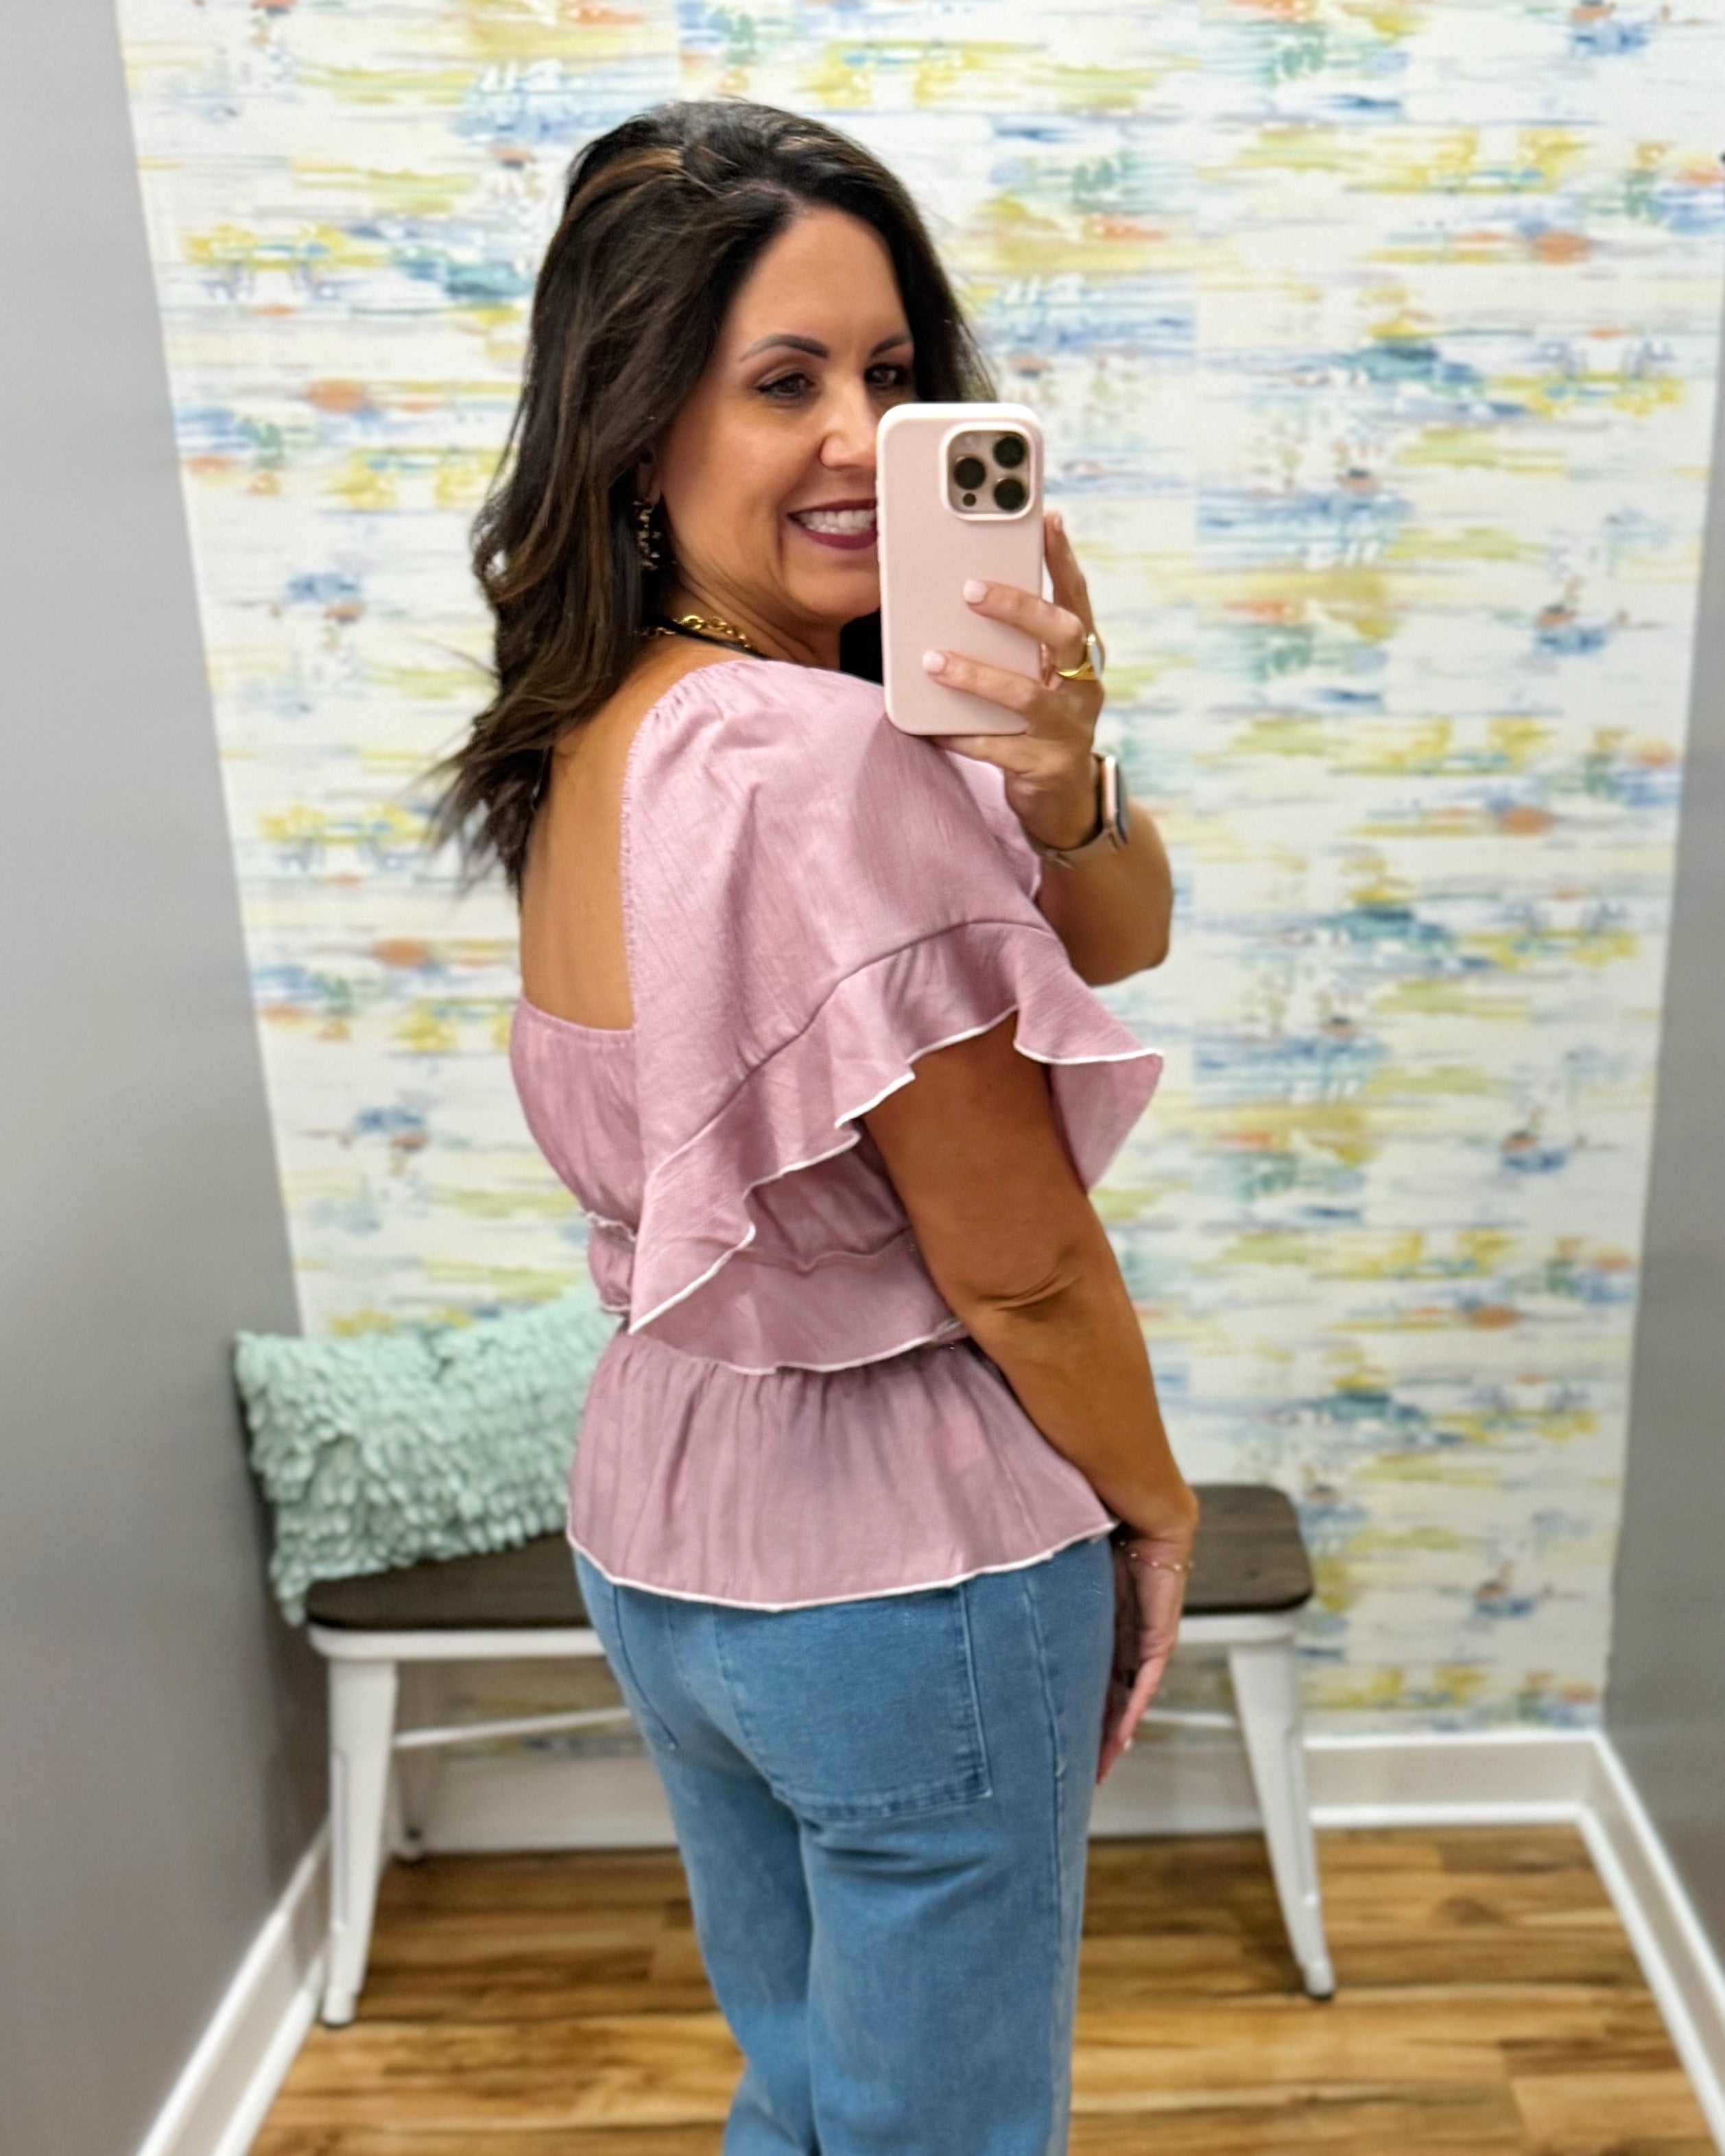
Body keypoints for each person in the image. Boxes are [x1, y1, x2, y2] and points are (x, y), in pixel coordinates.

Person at [434, 98, 1198, 2156]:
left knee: (806, 2086)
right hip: (903, 1566)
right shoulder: (818, 758)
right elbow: (1017, 1256)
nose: (864, 439)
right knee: (939, 2130)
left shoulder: (605, 724)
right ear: (638, 418)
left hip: (672, 1538)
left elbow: (1111, 938)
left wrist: (1058, 763)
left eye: (892, 376)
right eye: (784, 383)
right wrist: (1152, 1501)